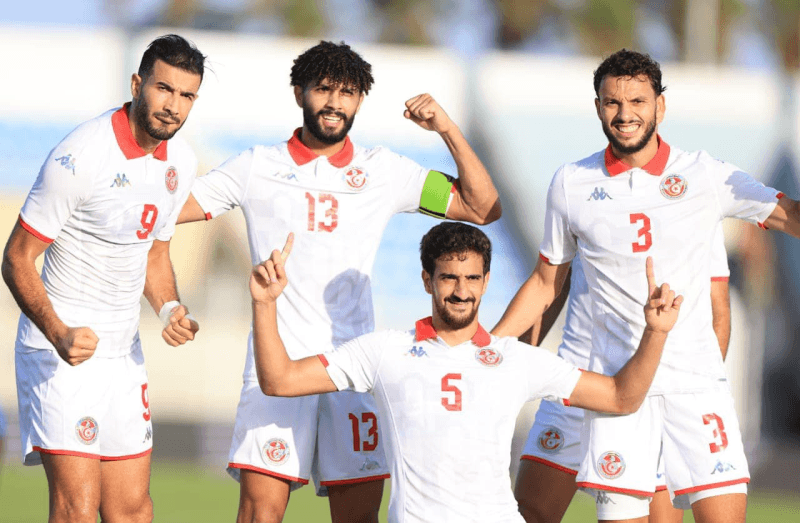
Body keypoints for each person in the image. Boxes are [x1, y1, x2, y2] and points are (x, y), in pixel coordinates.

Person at [177, 41, 501, 523]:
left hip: (355, 367)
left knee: (358, 518)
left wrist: (447, 130)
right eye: (323, 89)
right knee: (259, 515)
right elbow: (160, 215)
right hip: (274, 364)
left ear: (360, 101)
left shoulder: (384, 170)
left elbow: (482, 207)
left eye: (347, 92)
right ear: (298, 93)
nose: (334, 102)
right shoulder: (256, 166)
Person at [493, 48, 800, 523]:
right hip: (597, 378)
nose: (624, 114)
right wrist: (489, 350)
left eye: (637, 101)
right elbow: (545, 282)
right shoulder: (571, 182)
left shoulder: (704, 176)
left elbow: (787, 218)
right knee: (532, 509)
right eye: (612, 102)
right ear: (597, 106)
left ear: (660, 105)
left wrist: (705, 370)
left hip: (688, 387)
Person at [248, 222, 683, 523]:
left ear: (487, 282)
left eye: (472, 278)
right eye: (449, 278)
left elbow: (620, 397)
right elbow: (279, 380)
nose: (461, 291)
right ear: (426, 280)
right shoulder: (382, 352)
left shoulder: (514, 359)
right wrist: (265, 304)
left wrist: (656, 333)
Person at [1, 34, 204, 523]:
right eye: (163, 89)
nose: (172, 106)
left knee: (132, 511)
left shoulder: (181, 162)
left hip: (122, 354)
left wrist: (170, 308)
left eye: (186, 96)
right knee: (77, 510)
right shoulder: (80, 155)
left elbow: (155, 252)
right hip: (60, 352)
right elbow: (15, 258)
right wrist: (58, 332)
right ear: (137, 84)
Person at [514, 228, 731, 523]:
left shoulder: (697, 197)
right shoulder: (574, 184)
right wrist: (507, 368)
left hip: (657, 395)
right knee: (530, 515)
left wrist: (695, 396)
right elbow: (548, 285)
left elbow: (718, 308)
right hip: (577, 383)